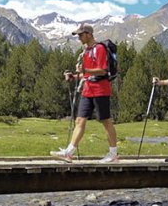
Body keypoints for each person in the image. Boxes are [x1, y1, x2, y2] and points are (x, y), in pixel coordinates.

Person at [50, 24, 119, 163]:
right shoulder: (86, 51)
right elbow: (87, 74)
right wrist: (75, 77)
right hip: (88, 89)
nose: (79, 38)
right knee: (79, 120)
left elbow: (103, 70)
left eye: (81, 35)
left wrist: (84, 70)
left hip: (101, 89)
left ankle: (113, 154)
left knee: (106, 121)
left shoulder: (99, 49)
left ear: (89, 34)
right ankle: (69, 153)